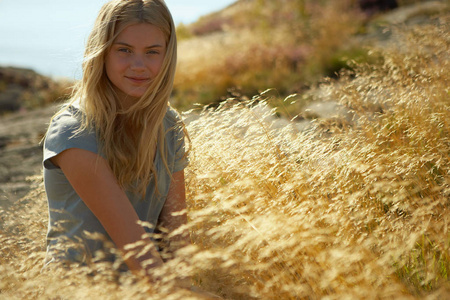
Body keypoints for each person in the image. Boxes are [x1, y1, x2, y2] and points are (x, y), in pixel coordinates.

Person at [42, 0, 190, 280]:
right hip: (78, 292)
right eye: (124, 50)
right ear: (102, 53)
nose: (138, 65)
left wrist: (185, 286)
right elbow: (144, 262)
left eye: (152, 52)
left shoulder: (167, 124)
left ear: (167, 56)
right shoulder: (75, 130)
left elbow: (177, 242)